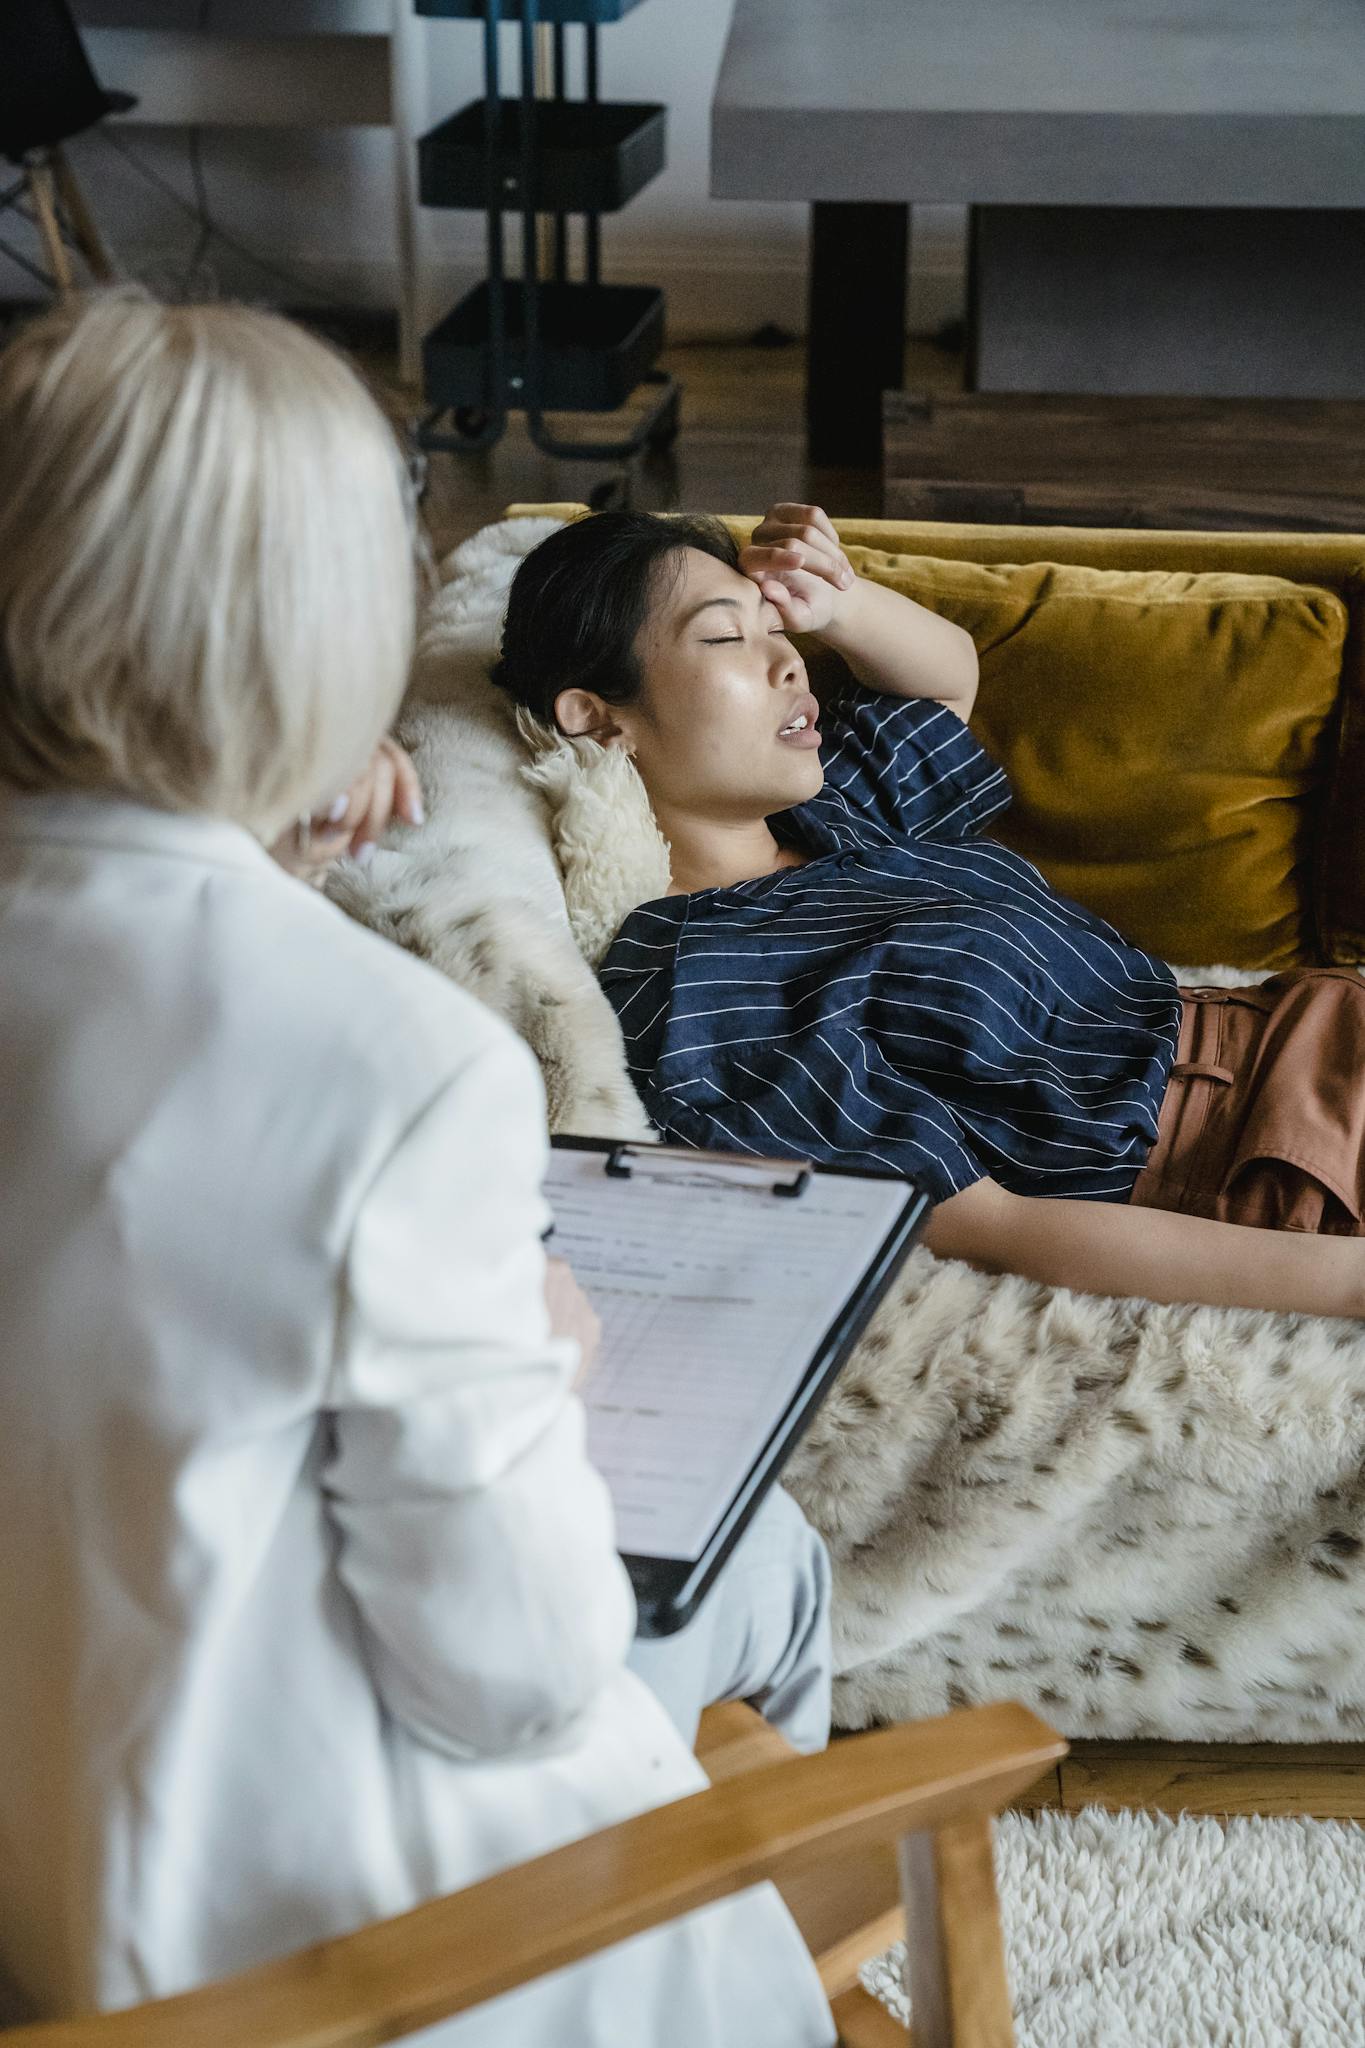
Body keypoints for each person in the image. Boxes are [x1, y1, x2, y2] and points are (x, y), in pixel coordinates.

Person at [0, 293, 836, 2048]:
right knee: (767, 1561)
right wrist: (546, 1349)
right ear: (321, 637)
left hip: (39, 1844)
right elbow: (508, 1673)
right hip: (298, 1951)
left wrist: (253, 845)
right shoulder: (403, 1068)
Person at [491, 505, 1365, 1322]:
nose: (787, 662)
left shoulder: (830, 808)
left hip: (1306, 1020)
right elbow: (990, 1227)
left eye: (774, 630)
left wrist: (837, 601)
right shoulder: (700, 988)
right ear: (599, 722)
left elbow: (947, 681)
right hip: (1261, 1152)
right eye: (724, 636)